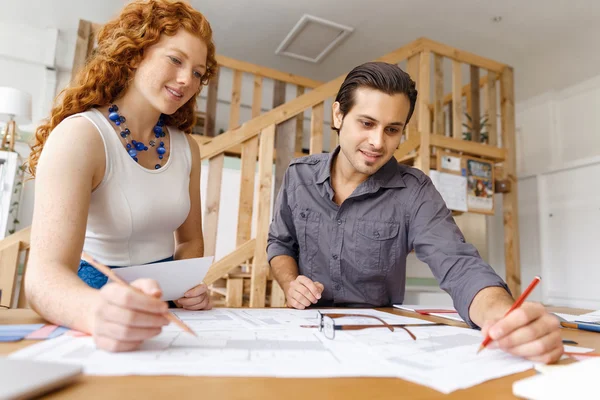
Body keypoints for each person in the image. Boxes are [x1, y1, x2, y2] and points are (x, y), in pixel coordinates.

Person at [267, 62, 563, 363]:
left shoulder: (415, 190)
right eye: (367, 124)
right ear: (338, 115)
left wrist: (501, 314)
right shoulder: (298, 175)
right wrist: (291, 283)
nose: (378, 142)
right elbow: (280, 244)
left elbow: (458, 264)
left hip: (378, 340)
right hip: (304, 330)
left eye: (392, 130)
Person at [25, 0, 217, 352]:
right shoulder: (80, 136)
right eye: (175, 60)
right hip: (89, 309)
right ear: (134, 54)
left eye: (198, 73)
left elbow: (189, 242)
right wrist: (99, 312)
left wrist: (185, 290)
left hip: (164, 309)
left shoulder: (187, 147)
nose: (187, 80)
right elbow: (43, 278)